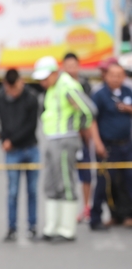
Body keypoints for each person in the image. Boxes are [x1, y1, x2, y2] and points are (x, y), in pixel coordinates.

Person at [32, 56, 94, 242]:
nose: (42, 81)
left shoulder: (67, 86)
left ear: (54, 73)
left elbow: (88, 110)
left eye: (45, 77)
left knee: (65, 183)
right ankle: (52, 227)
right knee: (50, 184)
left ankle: (67, 230)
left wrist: (77, 129)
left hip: (66, 139)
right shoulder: (51, 88)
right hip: (51, 140)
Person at [0, 68, 40, 241]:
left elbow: (31, 126)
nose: (14, 92)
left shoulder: (31, 98)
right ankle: (12, 228)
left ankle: (32, 226)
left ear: (21, 82)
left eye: (17, 88)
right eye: (11, 89)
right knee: (12, 191)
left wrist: (11, 141)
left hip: (30, 148)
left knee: (32, 190)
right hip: (11, 150)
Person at [90, 63, 132, 230]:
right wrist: (97, 143)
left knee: (128, 181)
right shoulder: (100, 95)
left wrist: (128, 109)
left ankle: (127, 215)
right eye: (112, 75)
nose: (115, 78)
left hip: (127, 145)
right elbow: (91, 120)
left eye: (119, 75)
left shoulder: (128, 92)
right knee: (105, 182)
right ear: (106, 76)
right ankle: (96, 217)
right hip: (108, 146)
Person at [63, 53, 95, 222]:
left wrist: (86, 131)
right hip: (65, 135)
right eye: (67, 66)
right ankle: (70, 209)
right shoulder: (61, 85)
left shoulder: (84, 84)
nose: (71, 70)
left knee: (85, 173)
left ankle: (86, 207)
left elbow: (88, 109)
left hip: (82, 135)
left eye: (73, 66)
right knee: (67, 174)